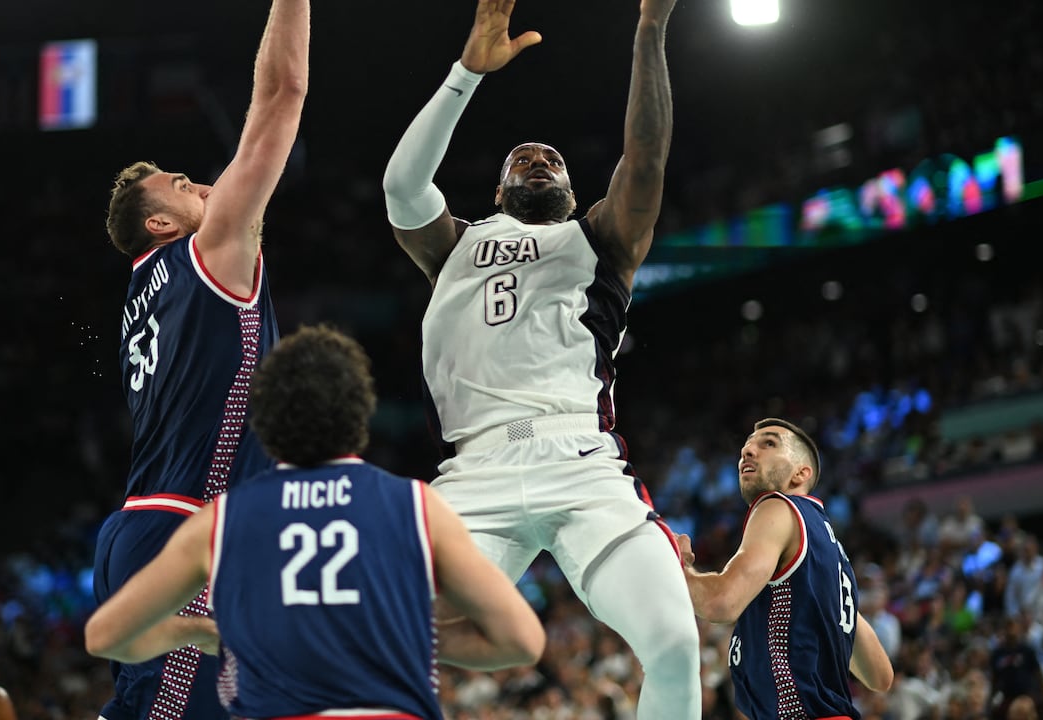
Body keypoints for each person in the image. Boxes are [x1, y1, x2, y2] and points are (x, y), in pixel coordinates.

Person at [380, 0, 700, 716]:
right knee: (376, 627)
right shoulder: (453, 245)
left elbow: (646, 158)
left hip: (580, 462)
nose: (538, 162)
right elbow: (402, 187)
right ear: (499, 192)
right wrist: (466, 73)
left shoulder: (603, 238)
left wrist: (650, 29)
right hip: (474, 472)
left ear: (573, 191)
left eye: (551, 160)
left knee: (675, 643)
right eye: (522, 160)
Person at [84, 324, 546, 719]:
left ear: (264, 420)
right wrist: (400, 633)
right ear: (361, 411)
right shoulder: (417, 505)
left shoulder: (222, 521)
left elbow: (105, 636)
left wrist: (200, 631)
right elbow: (521, 641)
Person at [90, 0, 309, 715]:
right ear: (160, 223)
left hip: (143, 526)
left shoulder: (142, 292)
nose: (204, 184)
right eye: (182, 187)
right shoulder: (207, 253)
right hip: (187, 529)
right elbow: (281, 95)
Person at [676, 418, 894, 720]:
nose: (748, 451)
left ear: (800, 473)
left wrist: (676, 567)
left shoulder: (776, 506)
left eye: (768, 443)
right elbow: (880, 676)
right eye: (747, 445)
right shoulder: (831, 557)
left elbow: (720, 602)